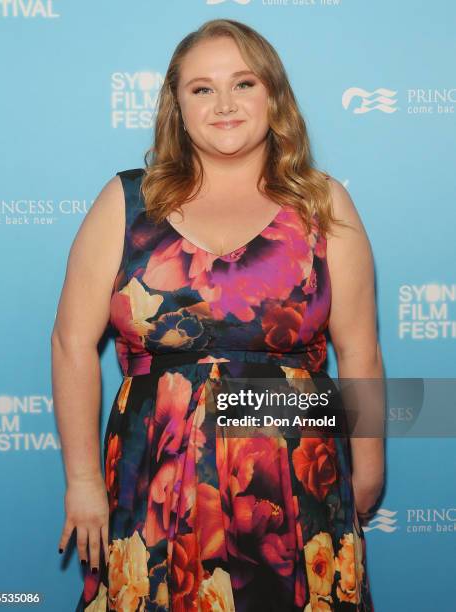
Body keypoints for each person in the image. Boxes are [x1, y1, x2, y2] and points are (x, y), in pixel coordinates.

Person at [52, 18, 385, 612]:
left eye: (244, 83)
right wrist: (81, 481)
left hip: (294, 479)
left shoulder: (321, 203)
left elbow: (358, 349)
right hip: (151, 475)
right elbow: (71, 344)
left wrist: (370, 463)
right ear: (176, 106)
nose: (224, 104)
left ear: (273, 96)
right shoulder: (128, 203)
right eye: (202, 88)